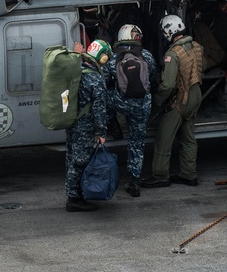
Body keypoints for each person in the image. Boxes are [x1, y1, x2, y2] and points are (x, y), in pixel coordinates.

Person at [140, 15, 204, 189]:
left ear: (169, 32)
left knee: (163, 137)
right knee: (188, 137)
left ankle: (160, 175)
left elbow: (167, 85)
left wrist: (157, 101)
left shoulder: (172, 54)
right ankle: (189, 174)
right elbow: (201, 68)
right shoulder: (197, 47)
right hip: (196, 95)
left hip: (179, 100)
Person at [104, 24, 157, 197]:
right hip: (142, 105)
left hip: (121, 102)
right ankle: (134, 181)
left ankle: (112, 125)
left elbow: (104, 81)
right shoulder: (146, 55)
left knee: (104, 97)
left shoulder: (113, 58)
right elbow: (154, 77)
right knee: (137, 142)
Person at [65, 39, 110, 212]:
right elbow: (99, 109)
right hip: (85, 126)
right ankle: (74, 199)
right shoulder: (95, 78)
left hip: (73, 122)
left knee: (71, 158)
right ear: (102, 57)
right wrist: (101, 131)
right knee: (80, 161)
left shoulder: (78, 70)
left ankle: (73, 193)